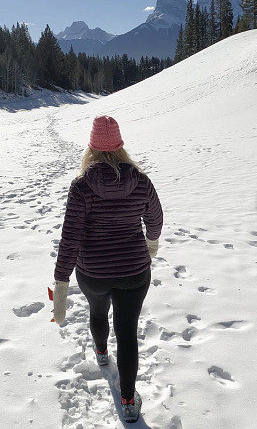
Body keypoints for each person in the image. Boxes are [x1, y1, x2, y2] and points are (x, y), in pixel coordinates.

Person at [51, 115, 163, 423]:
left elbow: (70, 237)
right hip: (134, 272)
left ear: (92, 148)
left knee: (98, 313)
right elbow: (155, 220)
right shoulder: (140, 180)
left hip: (93, 273)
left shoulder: (81, 186)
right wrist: (150, 246)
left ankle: (101, 354)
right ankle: (128, 400)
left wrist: (62, 282)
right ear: (120, 146)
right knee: (127, 333)